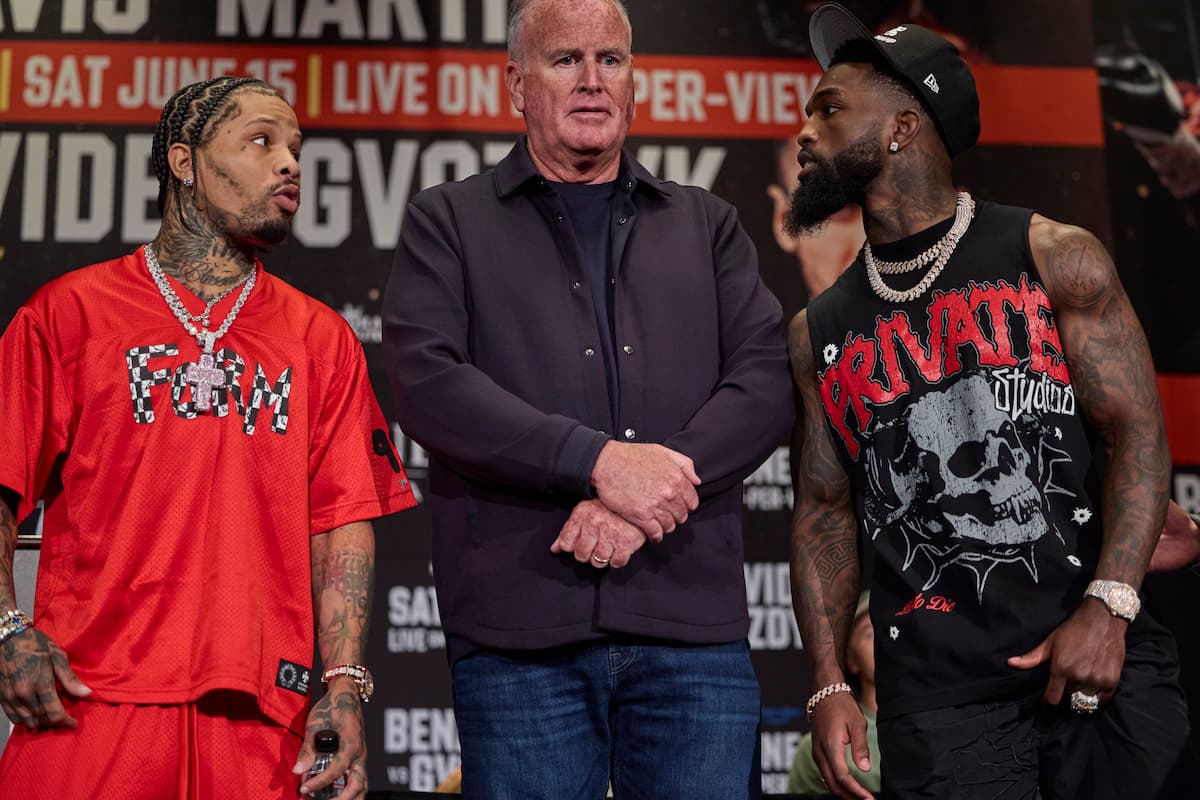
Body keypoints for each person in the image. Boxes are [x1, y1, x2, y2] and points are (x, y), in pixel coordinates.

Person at [382, 0, 793, 797]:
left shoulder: (707, 223)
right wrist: (598, 462)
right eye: (566, 60)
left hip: (691, 631)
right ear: (516, 85)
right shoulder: (449, 222)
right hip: (520, 634)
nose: (593, 81)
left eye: (612, 60)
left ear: (635, 81)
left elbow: (764, 379)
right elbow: (430, 384)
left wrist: (644, 492)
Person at [786, 5, 1191, 799]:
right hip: (936, 705)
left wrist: (1110, 607)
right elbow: (824, 509)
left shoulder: (1055, 257)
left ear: (903, 129)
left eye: (830, 110)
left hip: (1094, 662)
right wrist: (831, 681)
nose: (806, 132)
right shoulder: (818, 331)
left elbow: (1136, 432)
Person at [0, 76, 417, 799]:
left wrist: (344, 684)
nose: (289, 163)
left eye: (295, 147)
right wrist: (6, 628)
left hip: (263, 716)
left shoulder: (322, 339)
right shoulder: (69, 314)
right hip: (91, 699)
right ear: (185, 162)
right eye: (261, 141)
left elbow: (341, 523)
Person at [787, 592, 879, 796]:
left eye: (896, 629)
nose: (886, 639)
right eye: (871, 633)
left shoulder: (946, 727)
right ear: (851, 659)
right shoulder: (826, 743)